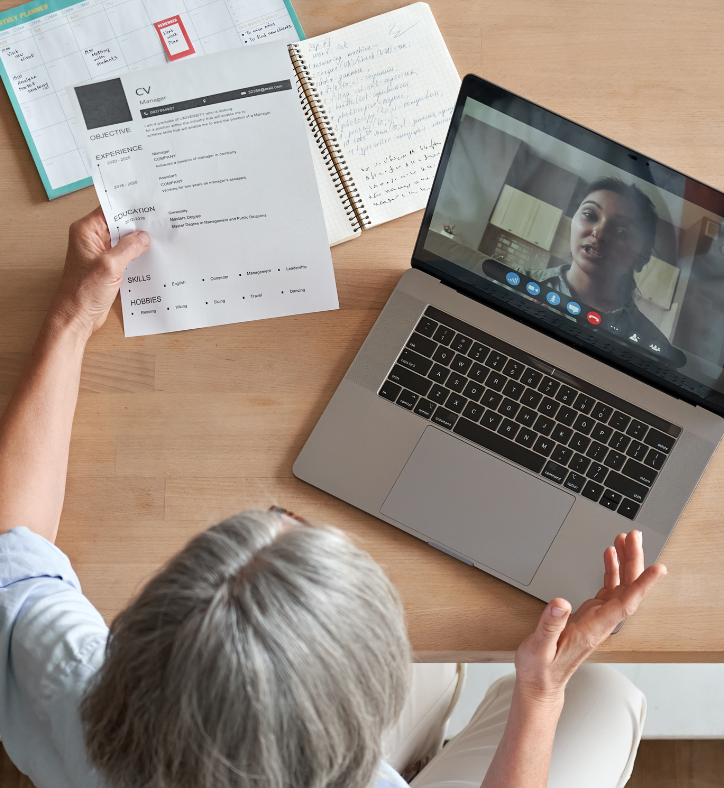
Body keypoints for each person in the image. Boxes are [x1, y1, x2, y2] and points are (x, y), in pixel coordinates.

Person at [0, 207, 666, 788]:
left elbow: (11, 546)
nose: (289, 514)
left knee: (434, 675)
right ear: (348, 736)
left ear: (140, 648)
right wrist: (541, 693)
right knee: (601, 697)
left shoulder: (79, 696)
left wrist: (73, 315)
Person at [522, 177, 686, 367]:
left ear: (642, 258)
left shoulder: (653, 348)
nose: (599, 234)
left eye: (622, 231)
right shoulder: (519, 283)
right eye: (590, 216)